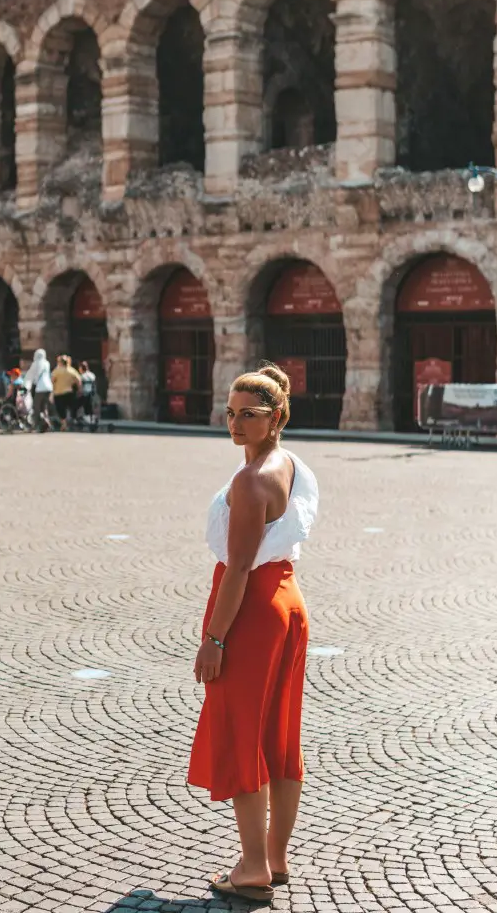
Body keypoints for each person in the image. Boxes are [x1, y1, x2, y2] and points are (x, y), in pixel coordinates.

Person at [188, 363, 319, 905]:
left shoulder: (250, 481)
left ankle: (253, 869)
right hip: (288, 601)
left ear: (276, 417)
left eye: (250, 414)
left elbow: (239, 568)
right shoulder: (287, 464)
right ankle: (276, 856)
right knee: (281, 736)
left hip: (254, 609)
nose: (235, 423)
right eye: (231, 412)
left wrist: (214, 640)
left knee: (244, 734)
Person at [24, 349, 53, 432]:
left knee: (36, 407)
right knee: (44, 407)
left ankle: (37, 425)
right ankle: (46, 422)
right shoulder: (47, 363)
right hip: (49, 387)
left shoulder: (36, 363)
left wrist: (26, 385)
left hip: (40, 388)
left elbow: (30, 375)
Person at [51, 355, 82, 432]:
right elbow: (78, 381)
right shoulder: (72, 370)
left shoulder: (56, 371)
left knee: (61, 410)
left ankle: (64, 423)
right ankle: (71, 421)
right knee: (71, 408)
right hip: (69, 392)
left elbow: (52, 381)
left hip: (58, 393)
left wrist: (52, 392)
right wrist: (79, 390)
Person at [77, 361, 97, 425]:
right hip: (91, 393)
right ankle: (92, 420)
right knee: (90, 408)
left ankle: (85, 420)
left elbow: (80, 386)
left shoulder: (82, 376)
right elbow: (94, 384)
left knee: (82, 407)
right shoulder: (92, 375)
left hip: (84, 394)